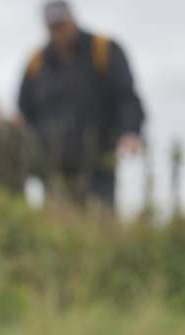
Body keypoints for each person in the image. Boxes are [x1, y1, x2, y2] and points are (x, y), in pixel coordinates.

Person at [17, 0, 146, 209]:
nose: (59, 32)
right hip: (53, 162)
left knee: (100, 218)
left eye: (62, 25)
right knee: (58, 222)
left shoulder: (103, 49)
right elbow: (24, 110)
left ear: (73, 20)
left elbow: (126, 96)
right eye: (53, 28)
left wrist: (130, 131)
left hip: (99, 157)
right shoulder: (36, 62)